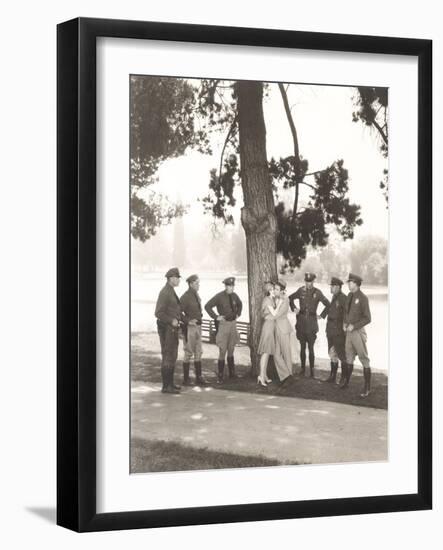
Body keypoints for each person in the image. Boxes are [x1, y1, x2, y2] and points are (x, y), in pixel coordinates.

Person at [289, 272, 330, 378]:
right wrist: (294, 308)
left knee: (311, 348)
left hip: (311, 324)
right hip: (301, 323)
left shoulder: (318, 293)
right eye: (306, 282)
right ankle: (303, 369)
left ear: (313, 281)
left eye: (310, 282)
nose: (308, 284)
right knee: (302, 347)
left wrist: (321, 315)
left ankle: (312, 371)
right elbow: (290, 298)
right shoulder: (300, 290)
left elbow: (328, 304)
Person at [205, 277, 243, 383]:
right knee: (222, 350)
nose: (231, 288)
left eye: (232, 286)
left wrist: (238, 314)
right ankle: (220, 376)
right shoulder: (219, 296)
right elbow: (207, 306)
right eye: (229, 286)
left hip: (233, 324)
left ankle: (232, 373)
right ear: (225, 286)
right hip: (224, 324)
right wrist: (216, 316)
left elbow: (240, 304)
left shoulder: (235, 296)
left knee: (231, 349)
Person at [154, 267, 183, 394]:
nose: (178, 280)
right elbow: (158, 312)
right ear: (171, 278)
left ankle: (170, 384)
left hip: (172, 329)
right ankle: (166, 386)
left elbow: (173, 310)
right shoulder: (165, 292)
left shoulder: (170, 290)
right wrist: (171, 320)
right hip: (167, 329)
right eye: (177, 278)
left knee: (172, 356)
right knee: (168, 355)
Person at [343, 273, 372, 397]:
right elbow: (346, 312)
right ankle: (347, 382)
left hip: (357, 332)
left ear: (356, 284)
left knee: (363, 358)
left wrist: (354, 326)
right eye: (349, 282)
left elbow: (368, 318)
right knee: (349, 357)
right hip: (348, 332)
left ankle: (367, 388)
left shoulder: (363, 298)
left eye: (350, 282)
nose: (349, 284)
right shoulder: (350, 295)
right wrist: (344, 323)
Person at [180, 274, 206, 386]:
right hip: (190, 328)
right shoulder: (185, 297)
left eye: (198, 283)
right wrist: (188, 321)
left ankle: (198, 377)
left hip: (198, 327)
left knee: (198, 352)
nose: (198, 285)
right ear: (190, 284)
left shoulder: (195, 294)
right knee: (188, 352)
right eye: (196, 283)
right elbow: (178, 312)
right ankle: (186, 379)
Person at [325, 277, 348, 384]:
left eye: (333, 286)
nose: (331, 288)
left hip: (338, 331)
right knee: (332, 353)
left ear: (338, 287)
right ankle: (332, 376)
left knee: (342, 354)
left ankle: (343, 378)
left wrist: (344, 328)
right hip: (330, 330)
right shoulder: (334, 297)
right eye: (331, 286)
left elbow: (347, 315)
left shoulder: (343, 298)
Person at [271, 281, 294, 384]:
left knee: (286, 354)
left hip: (284, 329)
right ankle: (285, 375)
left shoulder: (286, 300)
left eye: (276, 289)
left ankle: (289, 377)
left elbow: (277, 315)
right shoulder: (275, 299)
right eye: (274, 289)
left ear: (281, 291)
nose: (274, 291)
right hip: (276, 329)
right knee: (276, 354)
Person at [257, 286, 276, 387]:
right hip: (268, 326)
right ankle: (261, 376)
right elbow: (274, 313)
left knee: (267, 352)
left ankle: (264, 375)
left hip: (271, 326)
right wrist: (281, 302)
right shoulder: (267, 300)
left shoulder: (270, 300)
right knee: (265, 352)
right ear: (269, 291)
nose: (275, 291)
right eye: (273, 290)